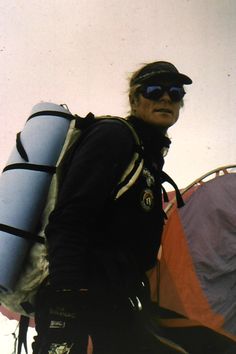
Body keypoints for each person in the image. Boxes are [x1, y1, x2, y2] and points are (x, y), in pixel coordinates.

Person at [32, 61, 192, 354]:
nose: (166, 98)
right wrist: (66, 299)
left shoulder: (146, 156)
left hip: (116, 299)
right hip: (81, 297)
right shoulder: (114, 136)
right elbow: (70, 217)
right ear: (134, 100)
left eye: (175, 92)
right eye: (154, 91)